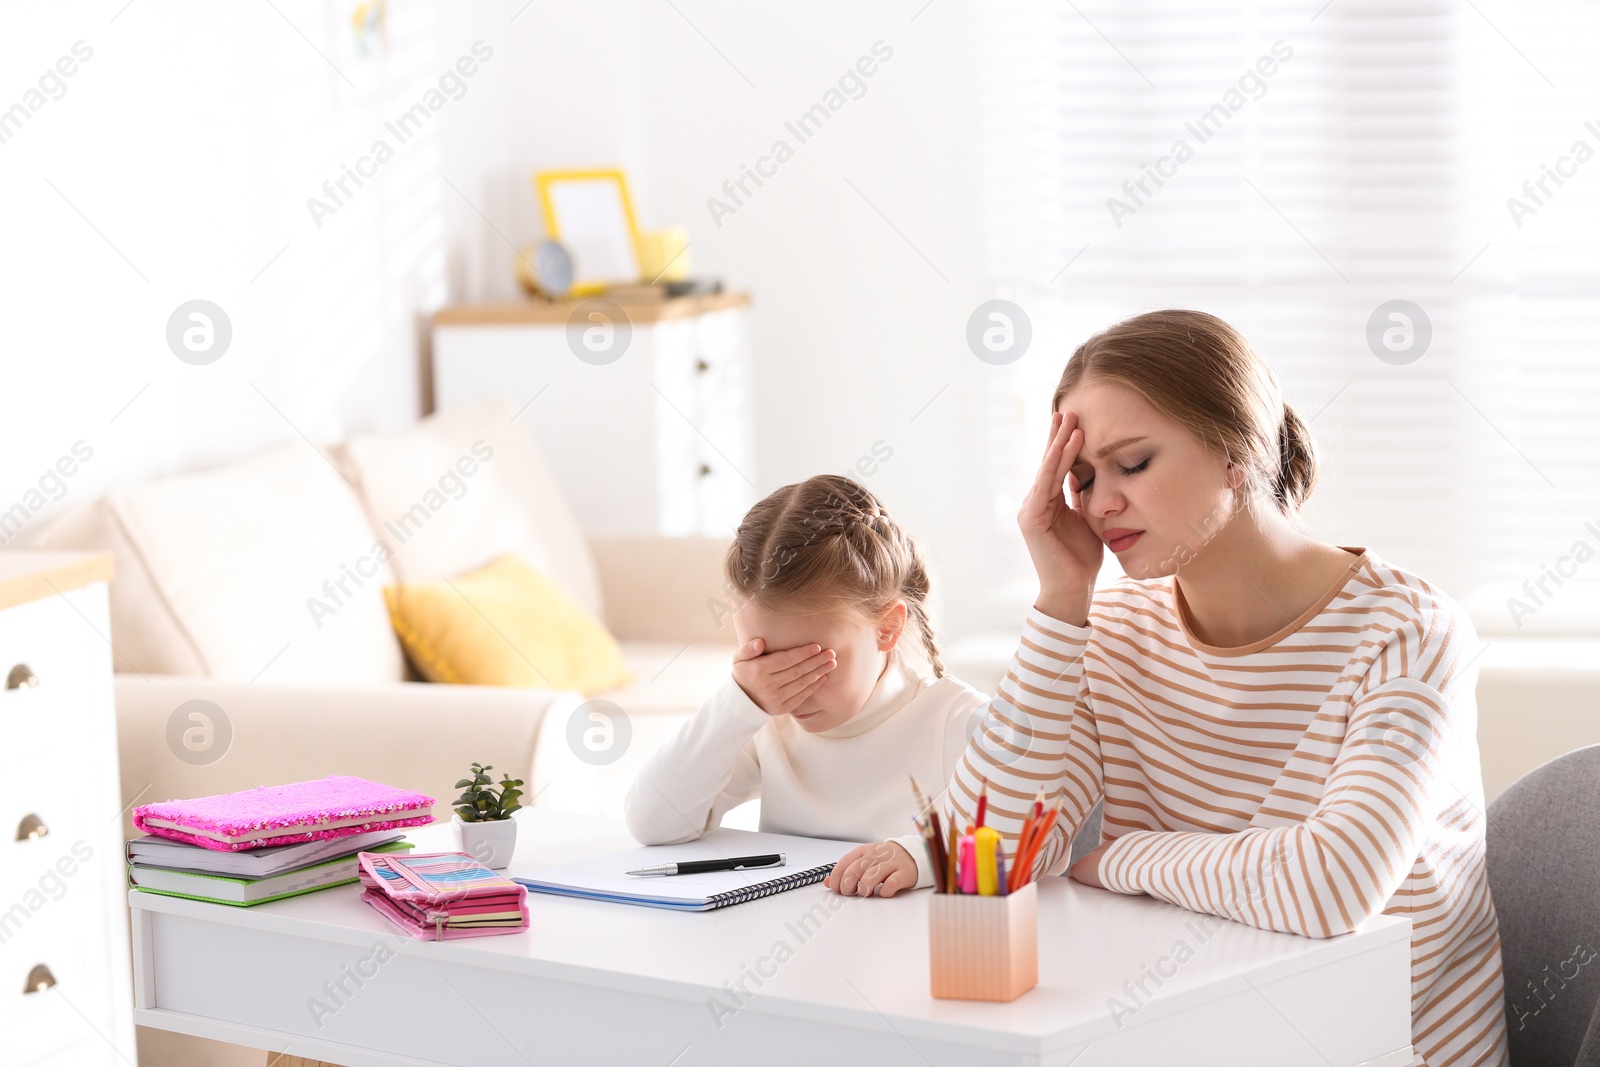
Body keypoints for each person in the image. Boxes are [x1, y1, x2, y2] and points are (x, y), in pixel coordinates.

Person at [826, 310, 1509, 1066]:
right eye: (1080, 478)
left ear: (1234, 452)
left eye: (1133, 463)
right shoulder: (1112, 624)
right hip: (1203, 1031)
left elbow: (1330, 887)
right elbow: (990, 848)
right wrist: (1061, 597)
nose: (1099, 503)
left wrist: (1119, 857)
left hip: (1373, 1046)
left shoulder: (1408, 631)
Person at [624, 474, 989, 889]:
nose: (786, 686)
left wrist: (919, 857)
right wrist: (738, 703)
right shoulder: (765, 715)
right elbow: (652, 823)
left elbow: (1031, 843)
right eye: (762, 658)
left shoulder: (955, 720)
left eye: (811, 662)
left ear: (887, 627)